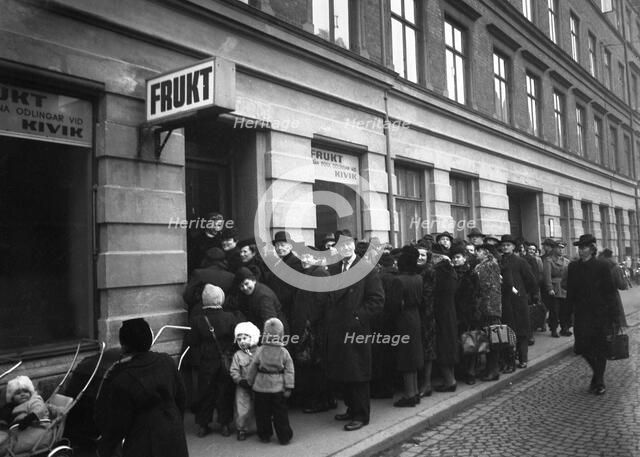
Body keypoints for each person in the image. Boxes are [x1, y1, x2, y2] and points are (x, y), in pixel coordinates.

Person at [95, 318, 188, 457]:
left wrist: (105, 448)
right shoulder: (166, 361)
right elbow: (182, 397)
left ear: (124, 345)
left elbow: (117, 425)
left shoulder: (122, 379)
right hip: (173, 431)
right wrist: (175, 421)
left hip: (144, 441)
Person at [327, 229, 385, 431]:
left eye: (348, 244)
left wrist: (357, 317)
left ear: (353, 244)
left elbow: (377, 300)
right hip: (337, 329)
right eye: (341, 245)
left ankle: (361, 415)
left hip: (356, 329)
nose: (345, 248)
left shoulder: (366, 268)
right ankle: (351, 409)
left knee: (358, 373)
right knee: (344, 372)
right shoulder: (334, 269)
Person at [565, 234, 618, 395]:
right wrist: (566, 314)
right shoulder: (573, 267)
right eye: (579, 248)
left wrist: (614, 315)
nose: (581, 250)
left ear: (592, 249)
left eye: (584, 247)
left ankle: (599, 381)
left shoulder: (602, 266)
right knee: (582, 347)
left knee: (600, 348)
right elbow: (570, 292)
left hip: (599, 313)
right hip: (581, 313)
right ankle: (597, 375)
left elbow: (610, 292)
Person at [187, 284, 238, 438]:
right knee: (224, 392)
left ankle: (203, 425)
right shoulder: (230, 317)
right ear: (220, 299)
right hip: (224, 360)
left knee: (205, 392)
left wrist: (197, 362)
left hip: (206, 361)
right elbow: (234, 339)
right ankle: (225, 425)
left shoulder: (197, 320)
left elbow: (193, 342)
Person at [289, 249, 332, 413]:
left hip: (315, 329)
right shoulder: (308, 274)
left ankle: (321, 401)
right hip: (310, 327)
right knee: (313, 365)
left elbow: (321, 302)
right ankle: (323, 399)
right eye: (302, 256)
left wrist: (309, 322)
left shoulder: (318, 274)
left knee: (316, 365)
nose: (304, 260)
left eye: (308, 256)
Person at [247, 318, 295, 445]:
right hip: (277, 387)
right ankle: (284, 436)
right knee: (280, 414)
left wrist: (249, 381)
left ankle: (264, 434)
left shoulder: (260, 350)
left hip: (261, 386)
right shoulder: (284, 352)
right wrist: (289, 386)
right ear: (281, 334)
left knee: (262, 413)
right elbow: (289, 370)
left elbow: (253, 366)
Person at [388, 246, 424, 406]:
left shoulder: (399, 280)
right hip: (415, 316)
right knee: (414, 355)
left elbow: (393, 305)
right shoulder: (418, 277)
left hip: (404, 319)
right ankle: (415, 392)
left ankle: (409, 395)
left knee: (406, 357)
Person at [499, 235, 538, 369]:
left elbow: (531, 281)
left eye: (508, 245)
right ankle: (508, 360)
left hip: (519, 301)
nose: (505, 247)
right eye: (503, 245)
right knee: (507, 331)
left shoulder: (520, 262)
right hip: (504, 301)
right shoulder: (499, 261)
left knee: (521, 331)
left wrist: (522, 292)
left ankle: (523, 358)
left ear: (513, 247)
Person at [430, 244, 459, 392]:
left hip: (440, 312)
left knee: (443, 346)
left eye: (433, 257)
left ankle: (449, 381)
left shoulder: (437, 272)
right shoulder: (451, 270)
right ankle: (450, 378)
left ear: (438, 257)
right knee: (450, 345)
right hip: (451, 311)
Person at [473, 244, 503, 381]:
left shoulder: (488, 266)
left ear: (485, 252)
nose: (476, 254)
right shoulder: (485, 265)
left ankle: (493, 370)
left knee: (492, 340)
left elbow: (485, 287)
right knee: (488, 339)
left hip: (489, 307)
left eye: (478, 251)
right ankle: (489, 369)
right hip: (488, 306)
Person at [0, 375, 50, 456]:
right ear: (12, 397)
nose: (22, 394)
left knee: (5, 448)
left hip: (33, 429)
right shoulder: (13, 406)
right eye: (18, 393)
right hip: (17, 430)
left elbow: (39, 409)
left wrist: (30, 418)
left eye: (25, 392)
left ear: (30, 392)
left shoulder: (34, 401)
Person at [451, 244, 478, 385]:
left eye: (458, 257)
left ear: (464, 258)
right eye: (453, 258)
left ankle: (471, 372)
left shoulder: (471, 273)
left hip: (469, 313)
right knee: (459, 344)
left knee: (470, 343)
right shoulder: (452, 273)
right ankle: (463, 371)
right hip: (456, 313)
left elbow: (476, 292)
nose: (455, 260)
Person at [229, 321, 261, 441]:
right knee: (242, 408)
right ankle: (241, 429)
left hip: (258, 385)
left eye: (245, 338)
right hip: (243, 385)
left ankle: (261, 426)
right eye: (239, 339)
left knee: (260, 407)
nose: (242, 341)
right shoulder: (238, 355)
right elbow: (234, 370)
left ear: (252, 338)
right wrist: (239, 380)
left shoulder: (260, 352)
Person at [183, 247, 235, 313]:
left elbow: (188, 296)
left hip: (201, 314)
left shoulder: (198, 273)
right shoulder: (231, 276)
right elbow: (233, 301)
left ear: (206, 259)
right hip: (224, 315)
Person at [234, 267, 285, 332]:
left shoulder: (263, 298)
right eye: (241, 286)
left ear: (254, 280)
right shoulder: (251, 292)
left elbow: (271, 323)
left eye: (246, 283)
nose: (245, 288)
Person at [543, 241, 571, 337]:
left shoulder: (566, 261)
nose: (561, 250)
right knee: (554, 311)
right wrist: (549, 288)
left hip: (564, 288)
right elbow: (547, 276)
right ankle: (554, 329)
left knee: (565, 310)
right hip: (554, 288)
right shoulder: (549, 260)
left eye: (562, 248)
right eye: (559, 248)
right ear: (554, 249)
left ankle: (564, 328)